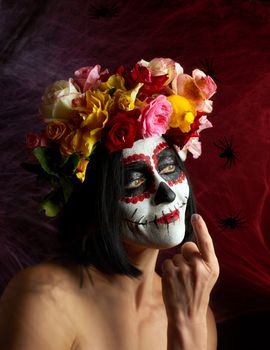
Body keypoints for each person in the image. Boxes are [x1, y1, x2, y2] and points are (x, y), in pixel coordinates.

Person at [0, 57, 219, 350]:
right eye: (134, 181)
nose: (165, 192)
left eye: (168, 169)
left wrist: (188, 323)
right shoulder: (45, 297)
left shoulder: (197, 312)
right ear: (96, 198)